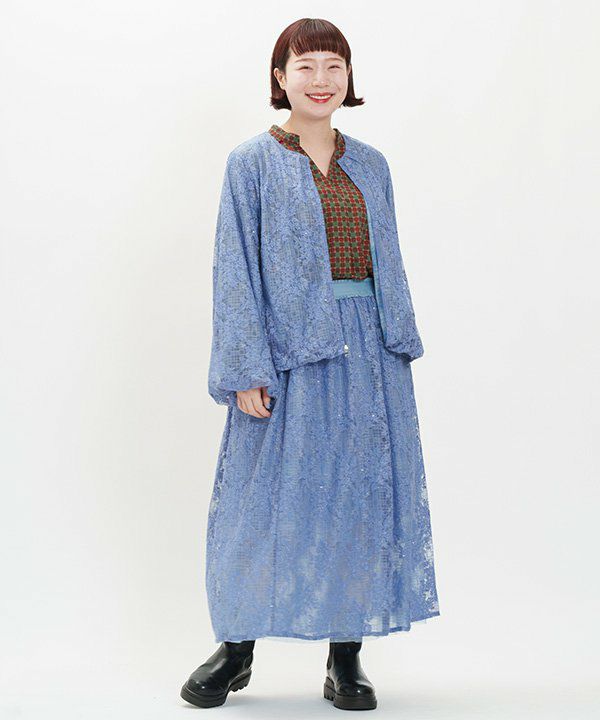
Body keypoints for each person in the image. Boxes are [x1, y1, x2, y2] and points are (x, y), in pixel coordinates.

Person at [181, 17, 441, 711]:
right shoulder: (250, 163)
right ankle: (236, 649)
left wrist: (395, 346)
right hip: (286, 351)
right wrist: (245, 366)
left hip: (369, 350)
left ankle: (345, 656)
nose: (321, 80)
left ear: (348, 77)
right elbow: (234, 267)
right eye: (306, 66)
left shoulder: (372, 165)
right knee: (262, 502)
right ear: (280, 78)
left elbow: (388, 262)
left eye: (334, 66)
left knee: (359, 499)